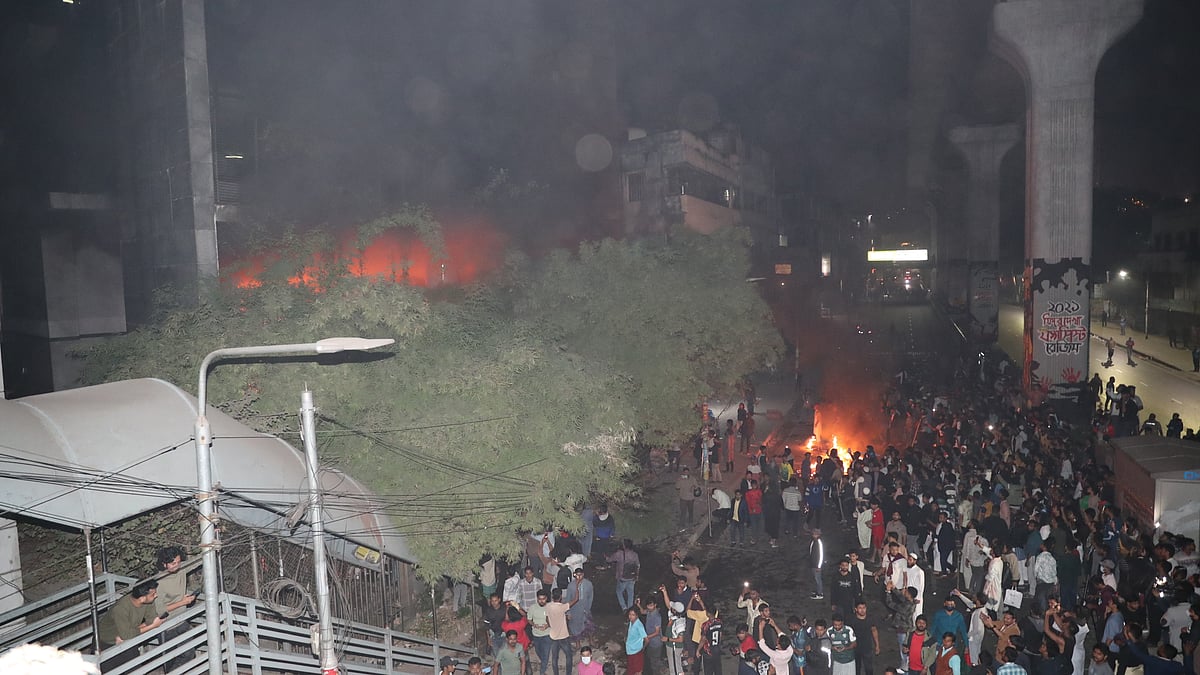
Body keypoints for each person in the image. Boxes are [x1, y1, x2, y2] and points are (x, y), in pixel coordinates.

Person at [97, 580, 164, 671]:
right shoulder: (121, 608)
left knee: (135, 669)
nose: (156, 595)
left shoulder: (148, 601)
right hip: (106, 642)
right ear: (142, 598)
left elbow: (151, 619)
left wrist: (131, 631)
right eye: (153, 594)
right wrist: (152, 626)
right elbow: (127, 634)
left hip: (126, 639)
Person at [847, 601, 880, 675]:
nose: (862, 610)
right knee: (856, 668)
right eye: (860, 608)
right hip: (855, 648)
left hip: (867, 647)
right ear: (856, 609)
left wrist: (877, 645)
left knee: (869, 668)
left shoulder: (870, 619)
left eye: (864, 608)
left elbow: (874, 630)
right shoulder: (851, 620)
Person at [609, 539, 641, 612]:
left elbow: (610, 559)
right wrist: (637, 576)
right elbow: (638, 565)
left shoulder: (620, 553)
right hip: (632, 577)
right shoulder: (635, 554)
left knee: (619, 591)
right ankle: (630, 609)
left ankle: (624, 607)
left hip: (622, 578)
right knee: (630, 593)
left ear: (624, 546)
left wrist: (606, 558)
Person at [546, 588, 573, 675]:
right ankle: (568, 673)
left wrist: (551, 626)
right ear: (561, 596)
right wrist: (577, 586)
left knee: (554, 658)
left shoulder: (548, 606)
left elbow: (547, 618)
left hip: (553, 636)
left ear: (552, 596)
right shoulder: (562, 607)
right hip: (563, 636)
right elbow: (575, 600)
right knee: (569, 655)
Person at [566, 568, 594, 646]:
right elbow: (568, 599)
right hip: (574, 610)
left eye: (580, 575)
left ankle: (591, 641)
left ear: (583, 575)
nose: (578, 577)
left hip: (585, 609)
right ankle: (577, 644)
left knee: (589, 626)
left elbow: (590, 597)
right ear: (574, 575)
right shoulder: (571, 585)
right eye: (577, 575)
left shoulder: (588, 584)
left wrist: (588, 608)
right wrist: (568, 612)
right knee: (574, 627)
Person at [528, 591, 552, 675]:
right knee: (538, 651)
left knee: (546, 654)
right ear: (537, 599)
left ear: (546, 598)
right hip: (536, 635)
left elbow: (554, 619)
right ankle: (544, 663)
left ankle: (542, 672)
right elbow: (529, 619)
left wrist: (547, 625)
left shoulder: (550, 607)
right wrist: (534, 624)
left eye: (543, 599)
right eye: (539, 599)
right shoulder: (532, 608)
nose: (541, 601)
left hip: (547, 634)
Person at [627, 607, 649, 675]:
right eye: (630, 614)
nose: (630, 616)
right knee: (631, 669)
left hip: (636, 652)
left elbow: (647, 639)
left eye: (633, 615)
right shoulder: (631, 622)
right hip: (630, 650)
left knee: (638, 671)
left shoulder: (639, 626)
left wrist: (643, 648)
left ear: (637, 615)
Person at [808, 529, 826, 600]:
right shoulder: (813, 541)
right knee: (815, 578)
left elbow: (821, 555)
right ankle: (817, 590)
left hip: (817, 565)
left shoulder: (819, 542)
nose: (813, 535)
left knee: (818, 579)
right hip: (813, 563)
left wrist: (819, 566)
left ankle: (820, 593)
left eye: (815, 534)